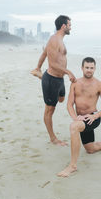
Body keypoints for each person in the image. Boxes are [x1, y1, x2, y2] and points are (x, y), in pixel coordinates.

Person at [58, 57, 101, 177]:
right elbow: (69, 104)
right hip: (80, 119)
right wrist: (75, 117)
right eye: (87, 68)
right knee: (90, 149)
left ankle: (72, 166)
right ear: (82, 68)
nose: (89, 70)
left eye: (91, 68)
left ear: (94, 69)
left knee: (74, 127)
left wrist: (95, 117)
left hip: (92, 118)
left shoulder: (99, 85)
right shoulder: (75, 84)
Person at [31, 15, 76, 146]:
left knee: (61, 99)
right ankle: (53, 139)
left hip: (59, 80)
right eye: (69, 25)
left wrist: (38, 67)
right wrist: (68, 72)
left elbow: (44, 54)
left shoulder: (59, 40)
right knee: (50, 110)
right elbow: (52, 64)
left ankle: (40, 75)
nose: (70, 27)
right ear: (63, 26)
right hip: (51, 80)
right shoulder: (54, 40)